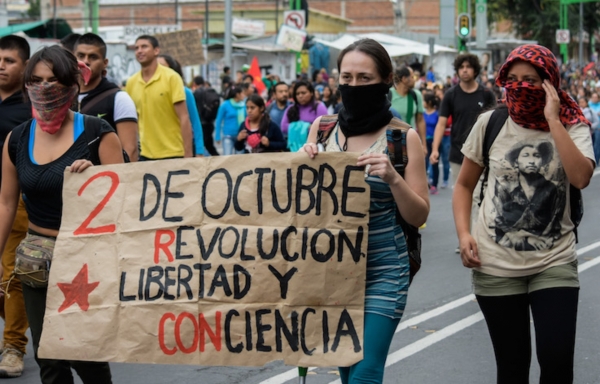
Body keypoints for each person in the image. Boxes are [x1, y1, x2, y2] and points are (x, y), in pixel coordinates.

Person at [454, 44, 594, 384]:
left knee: (557, 361)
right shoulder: (490, 122)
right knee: (512, 367)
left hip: (554, 261)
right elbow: (463, 186)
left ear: (550, 83)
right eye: (512, 79)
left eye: (531, 80)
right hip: (495, 264)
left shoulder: (573, 124)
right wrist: (463, 234)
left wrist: (552, 119)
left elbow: (580, 177)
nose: (520, 87)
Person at [301, 38, 429, 384]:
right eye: (347, 78)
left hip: (384, 269)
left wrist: (392, 178)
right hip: (333, 272)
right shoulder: (323, 128)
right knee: (346, 370)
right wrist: (302, 167)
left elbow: (419, 215)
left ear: (386, 79)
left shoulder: (402, 139)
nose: (353, 86)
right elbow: (301, 208)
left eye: (364, 79)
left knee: (365, 373)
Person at [0, 45, 125, 384]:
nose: (45, 88)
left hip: (87, 261)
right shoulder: (16, 139)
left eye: (54, 80)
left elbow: (128, 201)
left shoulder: (99, 135)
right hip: (36, 261)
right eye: (37, 80)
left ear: (73, 84)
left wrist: (96, 181)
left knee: (85, 356)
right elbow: (7, 204)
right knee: (48, 357)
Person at [0, 34, 31, 378]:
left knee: (13, 277)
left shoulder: (31, 108)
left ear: (24, 67)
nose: (1, 65)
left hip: (16, 203)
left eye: (9, 61)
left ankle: (13, 346)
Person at [430, 53, 496, 188]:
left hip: (482, 154)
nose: (464, 70)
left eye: (468, 67)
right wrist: (435, 149)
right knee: (461, 194)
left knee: (480, 198)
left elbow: (495, 124)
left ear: (476, 70)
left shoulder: (486, 94)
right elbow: (441, 124)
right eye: (461, 67)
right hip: (458, 153)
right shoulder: (450, 94)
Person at [125, 35, 193, 160]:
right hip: (145, 154)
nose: (139, 50)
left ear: (156, 51)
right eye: (137, 48)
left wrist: (188, 155)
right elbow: (133, 122)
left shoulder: (172, 77)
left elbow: (184, 117)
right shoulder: (131, 82)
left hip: (174, 153)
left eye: (144, 46)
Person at [74, 33, 139, 161]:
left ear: (105, 63)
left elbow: (130, 151)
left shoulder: (119, 99)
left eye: (93, 57)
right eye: (81, 56)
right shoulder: (62, 97)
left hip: (104, 178)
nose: (86, 61)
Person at [156, 54, 204, 157]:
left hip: (179, 149)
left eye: (162, 65)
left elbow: (195, 122)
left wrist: (199, 151)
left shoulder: (185, 92)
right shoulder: (150, 91)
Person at [280, 80, 328, 151]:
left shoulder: (319, 107)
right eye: (297, 94)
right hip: (293, 150)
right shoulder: (291, 108)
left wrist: (297, 126)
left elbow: (323, 128)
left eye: (303, 93)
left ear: (311, 93)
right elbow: (283, 127)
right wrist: (307, 126)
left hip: (315, 149)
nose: (300, 96)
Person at [389, 66, 427, 153]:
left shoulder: (416, 95)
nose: (415, 80)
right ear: (404, 79)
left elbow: (420, 120)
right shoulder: (389, 94)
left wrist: (423, 145)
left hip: (410, 143)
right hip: (392, 144)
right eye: (412, 77)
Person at [192, 76, 220, 156]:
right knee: (209, 146)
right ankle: (219, 161)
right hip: (209, 122)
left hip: (200, 123)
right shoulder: (209, 91)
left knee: (198, 147)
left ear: (194, 83)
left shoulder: (196, 93)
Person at [214, 85, 246, 155]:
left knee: (240, 160)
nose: (244, 95)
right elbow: (218, 121)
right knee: (227, 158)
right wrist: (217, 136)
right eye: (242, 93)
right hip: (228, 136)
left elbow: (247, 120)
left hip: (241, 136)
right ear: (237, 94)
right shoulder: (225, 105)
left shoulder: (244, 105)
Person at [423, 92, 441, 194]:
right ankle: (425, 183)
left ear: (429, 102)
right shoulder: (422, 113)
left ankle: (434, 185)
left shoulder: (437, 114)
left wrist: (436, 142)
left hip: (435, 142)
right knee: (424, 163)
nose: (423, 103)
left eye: (424, 101)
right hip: (425, 141)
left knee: (434, 164)